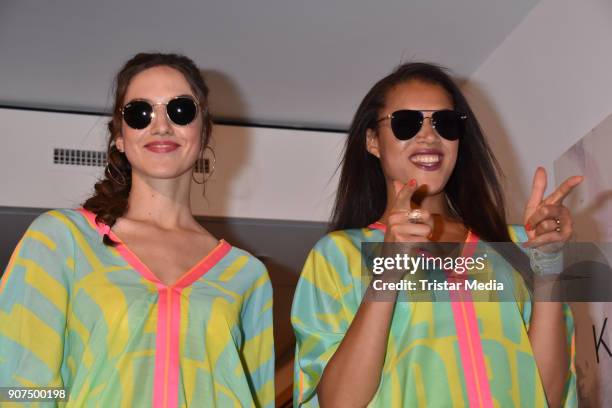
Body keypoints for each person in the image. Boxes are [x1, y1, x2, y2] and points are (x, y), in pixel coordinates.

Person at [291, 62, 580, 407]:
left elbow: (545, 396)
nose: (429, 136)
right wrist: (388, 271)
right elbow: (339, 402)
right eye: (406, 123)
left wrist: (547, 267)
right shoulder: (338, 255)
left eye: (444, 123)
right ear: (372, 141)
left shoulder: (516, 246)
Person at [0, 53, 274, 407]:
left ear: (203, 130)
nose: (161, 126)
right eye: (140, 113)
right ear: (120, 136)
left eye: (180, 111)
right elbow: (16, 388)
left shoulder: (246, 275)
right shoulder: (60, 241)